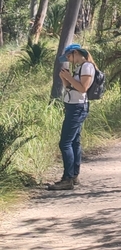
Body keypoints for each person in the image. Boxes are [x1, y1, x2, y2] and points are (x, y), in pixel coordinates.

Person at [46, 44, 95, 191]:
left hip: (77, 108)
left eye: (69, 56)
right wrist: (64, 78)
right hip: (73, 106)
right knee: (74, 142)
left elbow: (83, 88)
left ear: (75, 53)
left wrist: (68, 76)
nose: (69, 60)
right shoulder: (80, 68)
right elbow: (71, 88)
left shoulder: (87, 67)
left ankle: (67, 179)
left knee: (65, 143)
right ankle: (73, 175)